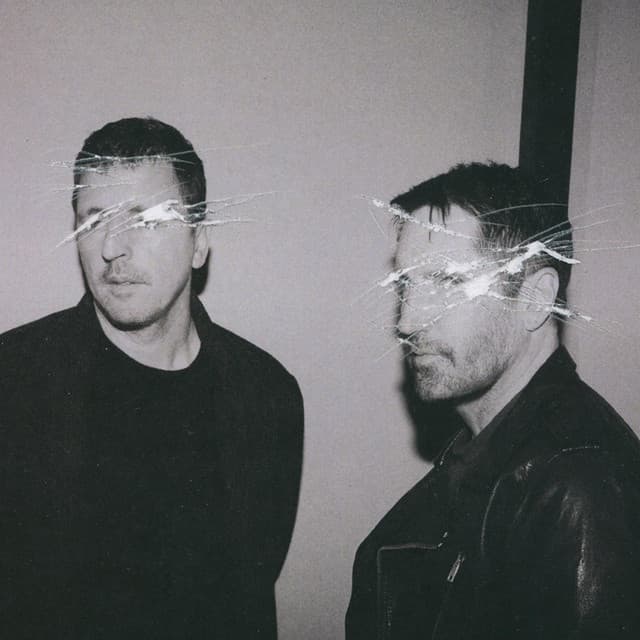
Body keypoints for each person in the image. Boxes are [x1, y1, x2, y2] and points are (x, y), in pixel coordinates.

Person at [0, 117, 303, 639]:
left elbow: (250, 589)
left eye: (146, 220)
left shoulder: (266, 394)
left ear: (199, 243)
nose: (112, 247)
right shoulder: (13, 379)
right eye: (94, 220)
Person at [346, 162, 640, 639]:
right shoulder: (486, 452)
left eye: (447, 282)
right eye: (406, 285)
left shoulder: (576, 485)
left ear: (535, 299)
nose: (407, 322)